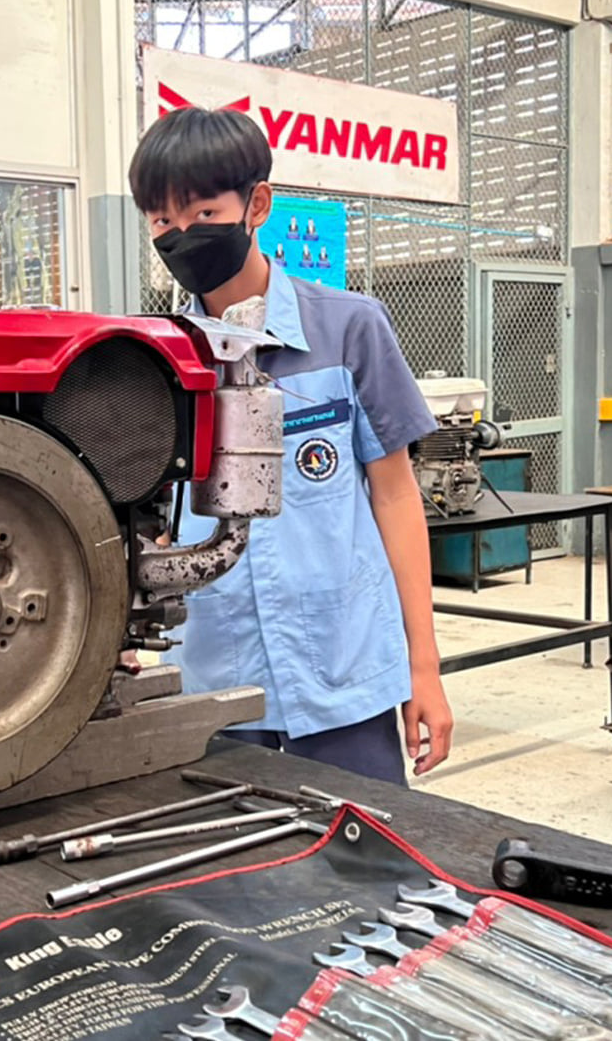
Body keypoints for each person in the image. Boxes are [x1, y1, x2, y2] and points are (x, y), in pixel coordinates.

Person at [129, 106, 452, 785]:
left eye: (204, 213)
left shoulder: (350, 329)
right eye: (162, 222)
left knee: (364, 864)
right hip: (214, 677)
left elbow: (395, 497)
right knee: (230, 880)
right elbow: (143, 523)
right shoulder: (154, 360)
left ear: (258, 205)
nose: (182, 235)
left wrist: (424, 666)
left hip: (343, 675)